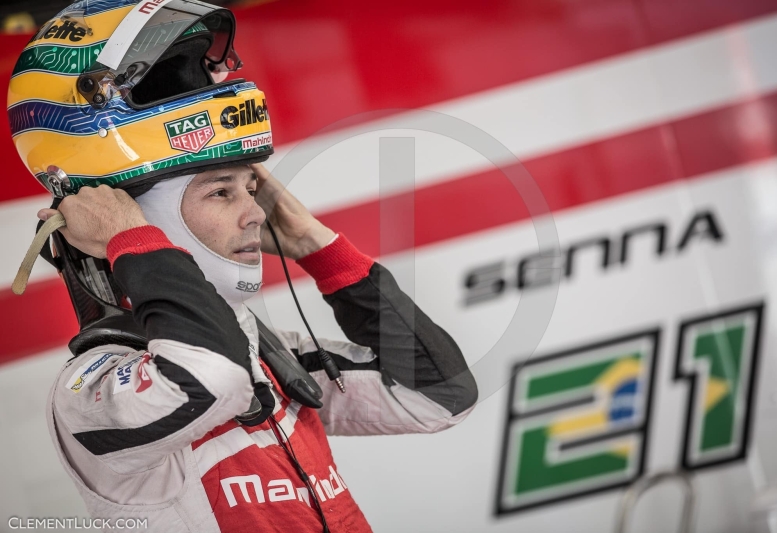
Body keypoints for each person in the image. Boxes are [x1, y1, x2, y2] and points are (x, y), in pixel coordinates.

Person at [7, 1, 477, 532]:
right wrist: (129, 238)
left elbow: (439, 396)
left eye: (252, 188)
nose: (256, 214)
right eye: (221, 191)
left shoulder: (263, 351)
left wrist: (313, 245)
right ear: (122, 215)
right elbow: (209, 377)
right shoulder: (91, 390)